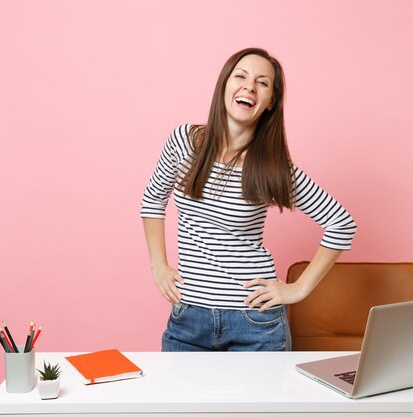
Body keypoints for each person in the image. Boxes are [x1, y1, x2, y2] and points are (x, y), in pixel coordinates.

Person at [140, 47, 357, 351]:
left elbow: (341, 223)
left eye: (263, 83)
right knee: (174, 399)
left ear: (270, 102)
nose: (249, 87)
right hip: (188, 318)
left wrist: (298, 289)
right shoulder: (184, 142)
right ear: (225, 85)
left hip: (255, 322)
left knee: (262, 400)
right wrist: (158, 266)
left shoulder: (273, 168)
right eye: (240, 76)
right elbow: (153, 199)